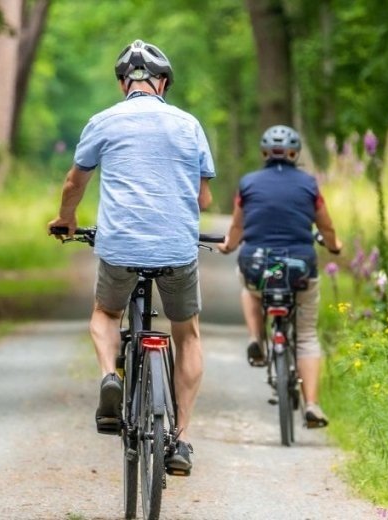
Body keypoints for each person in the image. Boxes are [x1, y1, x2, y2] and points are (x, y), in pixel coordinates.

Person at [47, 39, 215, 473]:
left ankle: (110, 376)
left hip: (120, 246)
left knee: (106, 312)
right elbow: (205, 196)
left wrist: (67, 219)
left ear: (124, 83)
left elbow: (73, 183)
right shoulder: (188, 124)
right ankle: (181, 440)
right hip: (177, 248)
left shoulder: (103, 121)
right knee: (188, 333)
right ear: (163, 83)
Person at [217, 125, 341, 428]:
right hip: (300, 267)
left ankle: (256, 337)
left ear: (264, 153)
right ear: (295, 153)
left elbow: (237, 228)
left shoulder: (248, 183)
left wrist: (229, 246)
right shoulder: (310, 185)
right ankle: (312, 404)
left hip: (258, 265)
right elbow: (326, 228)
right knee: (308, 336)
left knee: (248, 286)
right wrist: (335, 246)